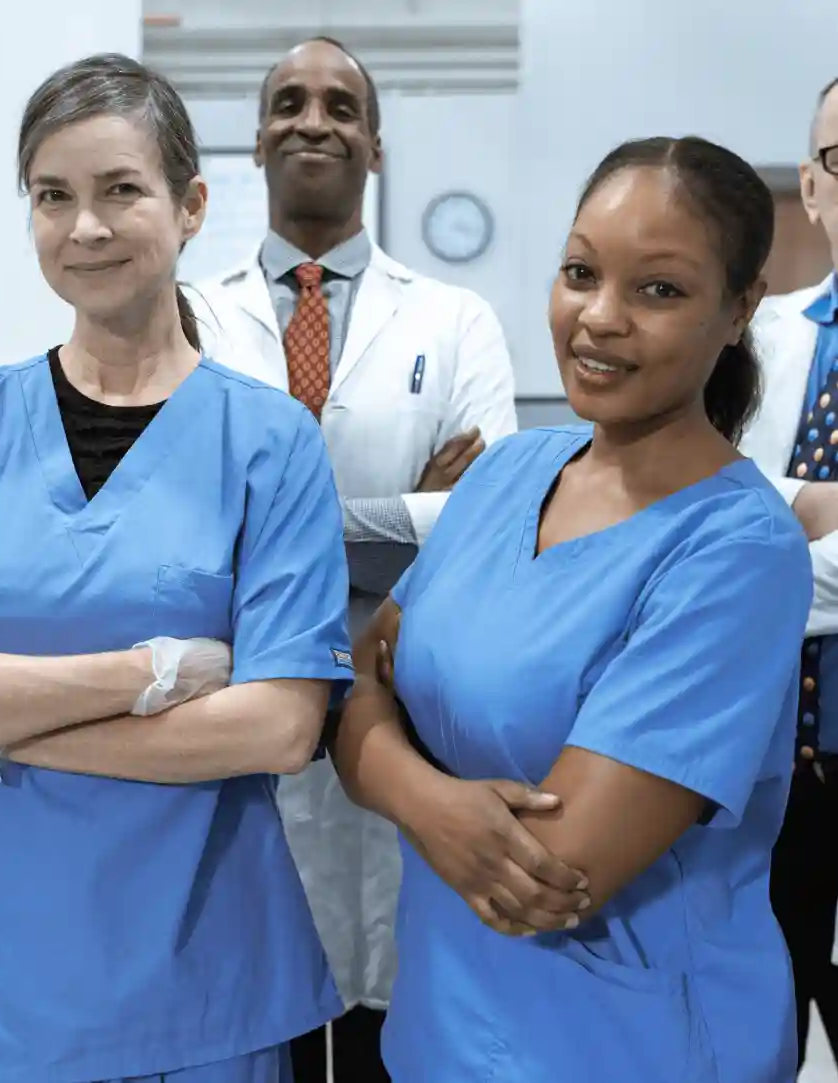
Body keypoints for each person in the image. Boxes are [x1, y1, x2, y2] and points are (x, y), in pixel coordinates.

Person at [0, 54, 353, 1083]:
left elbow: (275, 727)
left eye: (119, 191)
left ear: (189, 207)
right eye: (52, 197)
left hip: (183, 983)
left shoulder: (267, 445)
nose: (83, 227)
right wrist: (147, 673)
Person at [331, 135, 814, 1082]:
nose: (600, 318)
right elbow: (353, 676)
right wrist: (437, 800)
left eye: (659, 290)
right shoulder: (508, 473)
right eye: (580, 272)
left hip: (632, 1046)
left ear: (739, 309)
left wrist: (378, 756)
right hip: (440, 1031)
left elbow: (548, 880)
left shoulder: (735, 551)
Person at [190, 37, 517, 1083]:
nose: (312, 120)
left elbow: (486, 525)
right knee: (259, 1004)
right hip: (237, 707)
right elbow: (183, 526)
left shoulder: (454, 318)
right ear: (255, 140)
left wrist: (270, 530)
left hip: (403, 704)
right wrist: (410, 507)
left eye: (339, 105)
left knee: (389, 1017)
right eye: (286, 100)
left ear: (373, 145)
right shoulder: (188, 316)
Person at [741, 75, 838, 1071]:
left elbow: (730, 563)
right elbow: (698, 534)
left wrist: (751, 570)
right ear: (810, 188)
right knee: (748, 1046)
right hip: (756, 773)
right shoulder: (758, 342)